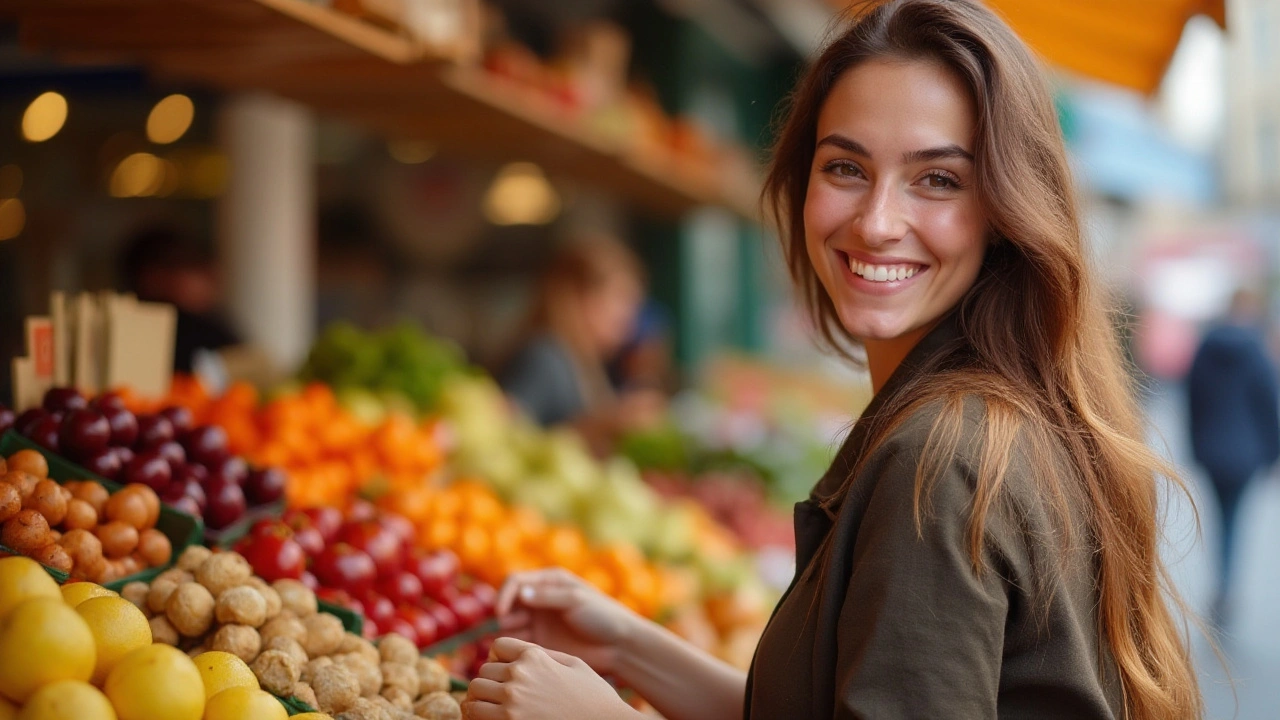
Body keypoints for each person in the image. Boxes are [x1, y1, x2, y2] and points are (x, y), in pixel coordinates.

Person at [463, 1, 1202, 719]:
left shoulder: (940, 460)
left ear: (1007, 211)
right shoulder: (979, 419)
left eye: (938, 179)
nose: (876, 223)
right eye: (845, 167)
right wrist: (624, 646)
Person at [499, 235, 665, 449]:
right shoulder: (546, 357)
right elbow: (505, 438)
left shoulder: (585, 361)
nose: (629, 316)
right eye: (620, 299)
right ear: (575, 297)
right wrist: (604, 424)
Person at [1186, 288, 1280, 627]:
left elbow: (1193, 400)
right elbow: (1270, 405)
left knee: (1219, 517)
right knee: (1235, 519)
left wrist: (1195, 444)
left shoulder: (1205, 349)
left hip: (1212, 451)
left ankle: (1220, 582)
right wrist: (1273, 452)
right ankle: (1227, 586)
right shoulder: (1258, 352)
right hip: (1246, 455)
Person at [119, 225, 242, 373]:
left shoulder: (208, 321)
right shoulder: (187, 329)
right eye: (194, 267)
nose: (212, 278)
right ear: (154, 277)